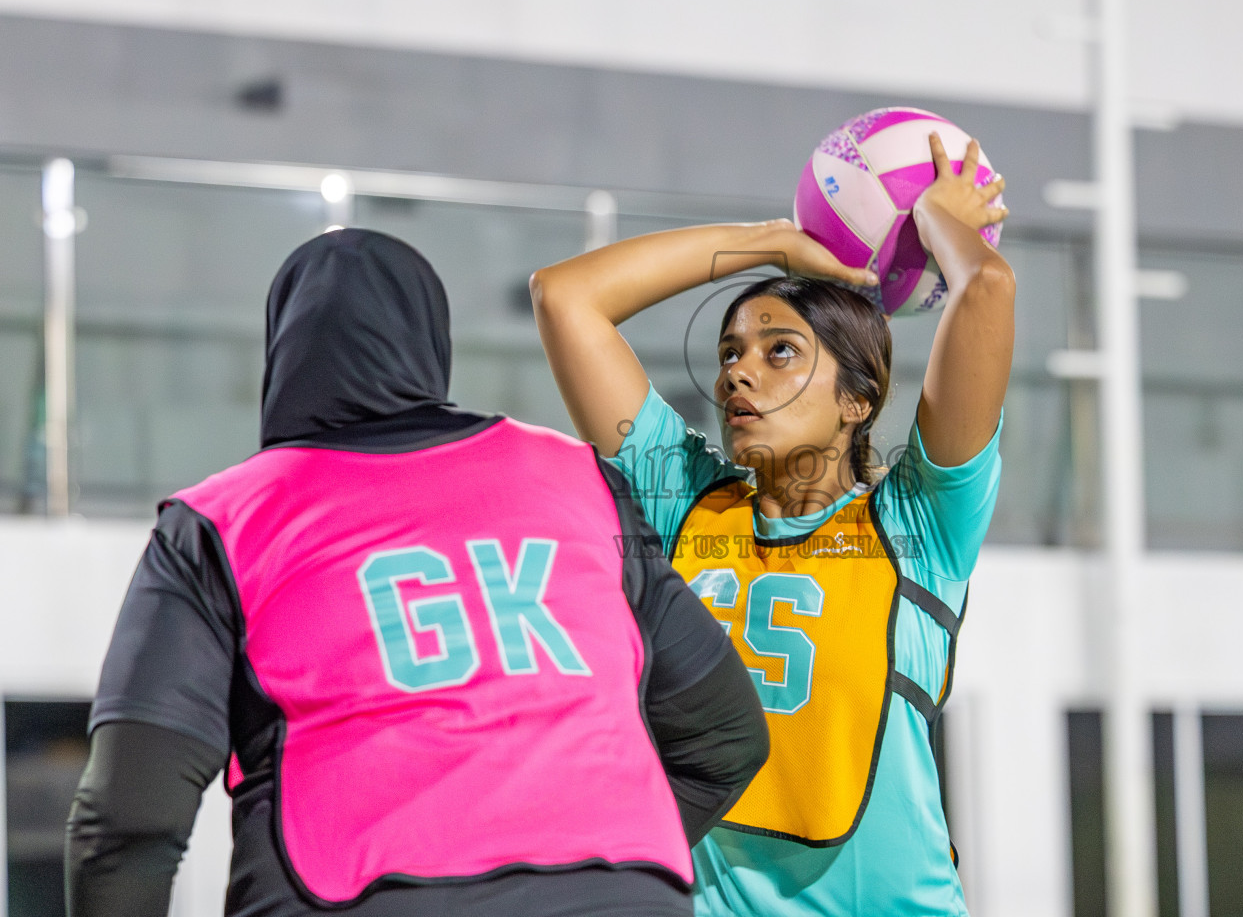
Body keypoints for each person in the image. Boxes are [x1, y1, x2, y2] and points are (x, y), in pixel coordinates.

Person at [66, 228, 769, 917]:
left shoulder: (225, 520)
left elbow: (129, 820)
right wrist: (603, 869)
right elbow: (727, 738)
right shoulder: (577, 480)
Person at [531, 133, 1012, 916]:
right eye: (730, 353)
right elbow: (564, 297)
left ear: (857, 400)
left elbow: (986, 287)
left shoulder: (919, 524)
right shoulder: (685, 504)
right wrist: (771, 244)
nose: (737, 374)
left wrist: (934, 217)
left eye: (779, 351)